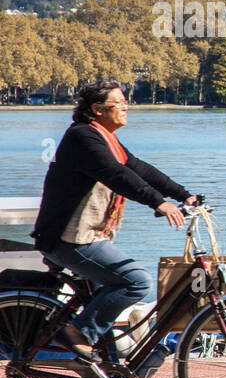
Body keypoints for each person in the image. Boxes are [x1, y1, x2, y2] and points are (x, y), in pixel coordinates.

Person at [31, 81, 197, 360]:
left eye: (124, 101)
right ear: (97, 109)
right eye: (118, 102)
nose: (125, 106)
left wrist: (183, 194)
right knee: (136, 282)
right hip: (70, 239)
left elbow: (138, 169)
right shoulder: (82, 138)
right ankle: (76, 334)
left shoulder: (106, 138)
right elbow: (117, 176)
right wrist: (159, 202)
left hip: (86, 236)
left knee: (105, 301)